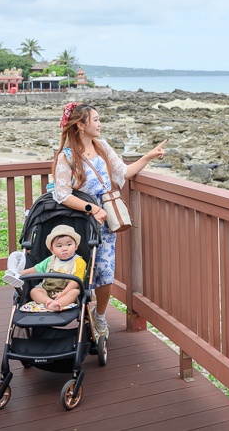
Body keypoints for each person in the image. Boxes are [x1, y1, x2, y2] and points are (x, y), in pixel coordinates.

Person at [51, 102, 165, 336]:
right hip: (79, 224)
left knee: (105, 272)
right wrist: (92, 208)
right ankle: (78, 309)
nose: (100, 123)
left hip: (105, 225)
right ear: (81, 125)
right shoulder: (66, 156)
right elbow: (61, 194)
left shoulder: (102, 146)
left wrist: (149, 156)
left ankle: (99, 316)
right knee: (80, 268)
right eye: (95, 119)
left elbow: (123, 172)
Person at [4, 225, 87, 311]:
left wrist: (63, 293)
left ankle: (59, 303)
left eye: (69, 244)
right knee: (34, 291)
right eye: (59, 246)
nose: (65, 248)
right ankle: (49, 302)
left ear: (76, 246)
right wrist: (20, 274)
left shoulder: (79, 262)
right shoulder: (50, 260)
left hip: (66, 291)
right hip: (47, 290)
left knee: (75, 292)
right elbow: (36, 269)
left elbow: (76, 282)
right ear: (52, 250)